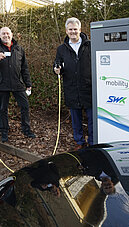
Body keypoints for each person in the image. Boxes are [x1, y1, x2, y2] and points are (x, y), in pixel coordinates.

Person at [0, 27, 35, 142]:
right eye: (3, 33)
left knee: (25, 106)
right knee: (3, 109)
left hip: (17, 83)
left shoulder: (19, 49)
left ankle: (26, 130)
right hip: (2, 84)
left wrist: (28, 83)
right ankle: (4, 132)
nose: (5, 35)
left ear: (11, 34)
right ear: (0, 35)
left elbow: (24, 68)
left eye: (7, 33)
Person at [53, 17, 93, 149]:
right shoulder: (61, 49)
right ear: (66, 31)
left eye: (75, 29)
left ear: (80, 30)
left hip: (88, 88)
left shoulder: (90, 45)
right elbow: (57, 64)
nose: (73, 32)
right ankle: (79, 142)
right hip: (71, 88)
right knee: (76, 119)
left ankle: (93, 142)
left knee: (92, 119)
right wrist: (57, 69)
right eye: (70, 29)